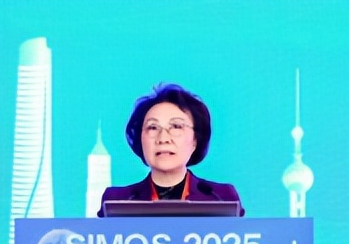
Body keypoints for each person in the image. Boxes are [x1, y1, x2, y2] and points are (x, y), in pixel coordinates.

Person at [97, 83, 244, 217]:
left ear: (195, 140)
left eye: (176, 127)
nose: (163, 138)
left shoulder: (221, 197)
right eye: (153, 127)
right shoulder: (117, 200)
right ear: (140, 139)